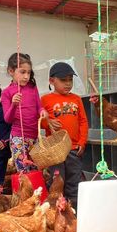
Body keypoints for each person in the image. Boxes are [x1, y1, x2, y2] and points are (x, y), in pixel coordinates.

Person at [41, 62, 88, 210]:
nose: (68, 84)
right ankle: (56, 216)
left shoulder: (76, 99)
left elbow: (83, 121)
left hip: (74, 149)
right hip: (55, 151)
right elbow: (40, 121)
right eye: (63, 80)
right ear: (51, 81)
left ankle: (75, 215)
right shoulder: (45, 100)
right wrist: (47, 123)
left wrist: (82, 141)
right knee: (56, 183)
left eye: (70, 80)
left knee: (74, 183)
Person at [1, 53, 49, 172]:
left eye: (28, 72)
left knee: (36, 169)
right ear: (11, 71)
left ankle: (37, 191)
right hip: (18, 137)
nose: (26, 76)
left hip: (34, 136)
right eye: (22, 72)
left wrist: (43, 111)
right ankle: (25, 191)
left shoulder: (32, 87)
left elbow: (39, 106)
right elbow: (7, 119)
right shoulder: (6, 92)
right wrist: (13, 105)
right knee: (23, 171)